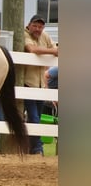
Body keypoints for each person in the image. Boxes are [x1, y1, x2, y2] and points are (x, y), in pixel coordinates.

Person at [24, 14, 58, 155]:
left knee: (36, 115)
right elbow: (32, 49)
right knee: (34, 116)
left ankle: (33, 148)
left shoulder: (45, 36)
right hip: (27, 82)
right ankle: (38, 148)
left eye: (40, 26)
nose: (38, 29)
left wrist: (54, 51)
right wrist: (53, 52)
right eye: (35, 26)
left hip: (41, 84)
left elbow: (55, 47)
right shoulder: (24, 34)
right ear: (29, 25)